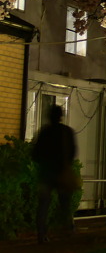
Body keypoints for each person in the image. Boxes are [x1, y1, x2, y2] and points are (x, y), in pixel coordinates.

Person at [32, 104, 77, 244]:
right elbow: (73, 151)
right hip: (62, 171)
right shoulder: (66, 132)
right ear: (60, 116)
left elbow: (35, 153)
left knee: (43, 204)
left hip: (46, 173)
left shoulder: (44, 132)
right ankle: (67, 230)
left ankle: (41, 233)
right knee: (65, 203)